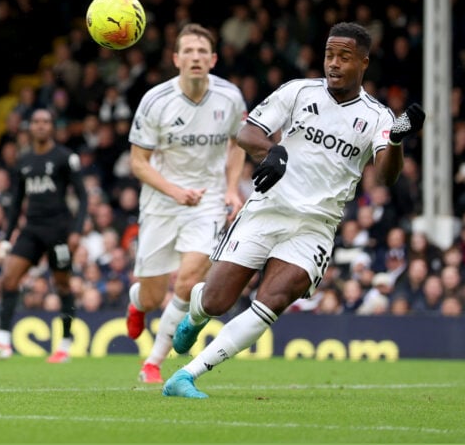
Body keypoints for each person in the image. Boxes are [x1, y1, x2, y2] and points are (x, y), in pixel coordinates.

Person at [163, 22, 425, 398]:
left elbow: (385, 177)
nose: (333, 63)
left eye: (344, 57)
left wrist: (396, 140)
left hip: (315, 227)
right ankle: (196, 313)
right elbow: (248, 132)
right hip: (268, 208)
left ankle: (186, 376)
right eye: (329, 55)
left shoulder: (378, 117)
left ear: (364, 63)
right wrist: (271, 152)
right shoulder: (298, 91)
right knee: (217, 301)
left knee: (270, 302)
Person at [124, 23, 246, 384]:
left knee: (189, 280)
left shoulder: (230, 97)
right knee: (152, 293)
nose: (195, 57)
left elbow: (237, 143)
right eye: (188, 51)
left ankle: (154, 361)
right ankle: (137, 302)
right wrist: (175, 191)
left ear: (213, 59)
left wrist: (231, 189)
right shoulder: (156, 100)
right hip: (161, 202)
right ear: (176, 59)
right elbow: (138, 162)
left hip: (206, 203)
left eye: (201, 52)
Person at [0, 107, 88, 363]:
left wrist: (76, 231)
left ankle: (65, 345)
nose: (41, 125)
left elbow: (83, 196)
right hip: (32, 229)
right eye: (36, 122)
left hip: (58, 230)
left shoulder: (65, 157)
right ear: (30, 127)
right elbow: (16, 202)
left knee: (63, 285)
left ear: (52, 126)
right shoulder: (23, 160)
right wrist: (6, 236)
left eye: (46, 121)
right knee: (9, 279)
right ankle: (3, 342)